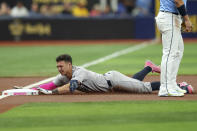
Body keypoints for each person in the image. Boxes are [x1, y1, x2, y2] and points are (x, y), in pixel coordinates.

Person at [33, 54, 193, 95]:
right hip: (111, 82)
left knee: (143, 88)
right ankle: (149, 67)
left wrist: (52, 92)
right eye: (57, 67)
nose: (59, 69)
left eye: (61, 66)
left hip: (112, 81)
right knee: (134, 83)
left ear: (69, 64)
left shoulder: (78, 72)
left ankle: (179, 86)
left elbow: (73, 87)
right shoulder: (63, 76)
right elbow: (51, 84)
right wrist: (36, 89)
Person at [155, 0, 193, 97]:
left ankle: (171, 84)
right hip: (169, 17)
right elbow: (178, 1)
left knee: (178, 51)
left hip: (172, 17)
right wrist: (187, 19)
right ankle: (165, 88)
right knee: (170, 53)